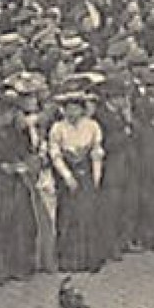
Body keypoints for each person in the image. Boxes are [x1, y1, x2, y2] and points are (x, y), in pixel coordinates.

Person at [48, 90, 106, 274]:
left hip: (87, 170)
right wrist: (67, 176)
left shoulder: (92, 126)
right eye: (68, 108)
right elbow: (55, 154)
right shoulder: (58, 128)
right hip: (67, 172)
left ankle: (90, 259)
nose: (71, 112)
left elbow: (97, 152)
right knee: (68, 216)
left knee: (87, 215)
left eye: (75, 108)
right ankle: (68, 261)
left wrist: (96, 177)